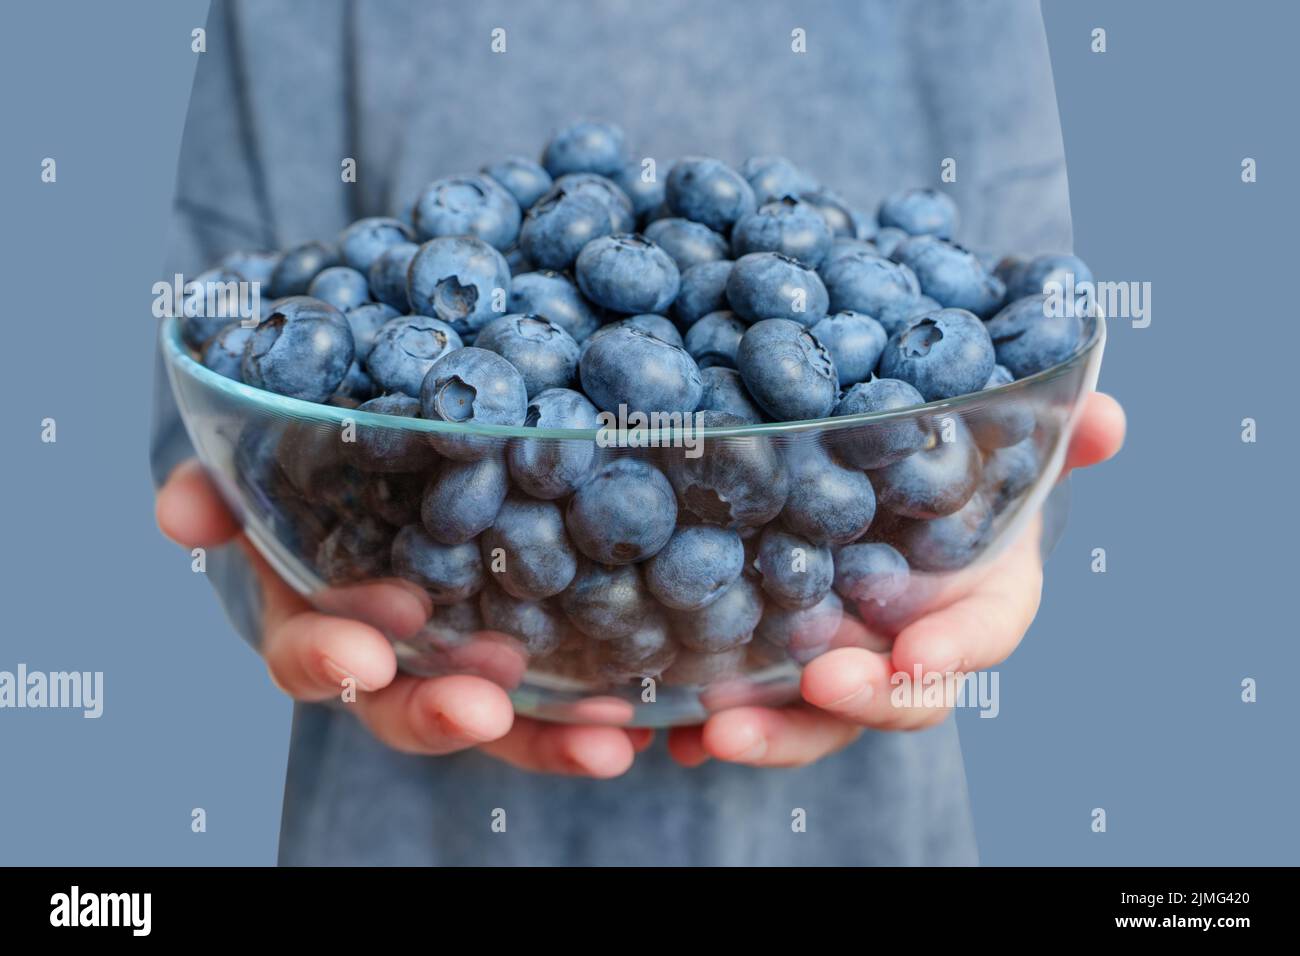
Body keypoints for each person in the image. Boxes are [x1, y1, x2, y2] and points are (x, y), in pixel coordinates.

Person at [152, 0, 1125, 865]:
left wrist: (1005, 532)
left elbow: (1006, 379)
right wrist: (266, 570)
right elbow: (220, 377)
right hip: (406, 812)